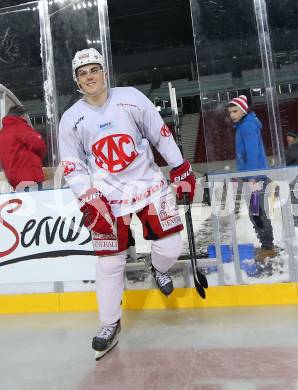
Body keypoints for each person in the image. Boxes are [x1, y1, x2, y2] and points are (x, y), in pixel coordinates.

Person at [58, 48, 196, 360]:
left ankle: (158, 268)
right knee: (109, 264)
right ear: (77, 80)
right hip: (106, 196)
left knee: (171, 246)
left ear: (104, 72)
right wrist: (88, 197)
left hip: (148, 185)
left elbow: (159, 134)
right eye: (83, 73)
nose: (90, 76)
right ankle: (109, 325)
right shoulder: (71, 119)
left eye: (94, 69)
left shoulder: (131, 98)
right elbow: (72, 165)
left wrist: (179, 166)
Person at [227, 95, 277, 263]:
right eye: (230, 112)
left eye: (235, 111)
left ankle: (268, 247)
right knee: (255, 212)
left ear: (243, 110)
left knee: (256, 212)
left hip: (255, 179)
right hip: (251, 177)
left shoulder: (247, 126)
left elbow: (253, 153)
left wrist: (253, 178)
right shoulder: (243, 125)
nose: (232, 115)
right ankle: (267, 244)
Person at [0, 105, 47, 191]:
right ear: (22, 116)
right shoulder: (21, 126)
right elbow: (39, 144)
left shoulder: (2, 132)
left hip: (14, 179)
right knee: (36, 203)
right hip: (29, 177)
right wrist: (39, 158)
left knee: (23, 203)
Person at [285, 130, 298, 226]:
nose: (287, 139)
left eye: (290, 137)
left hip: (294, 176)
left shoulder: (293, 148)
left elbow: (288, 159)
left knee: (294, 198)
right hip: (293, 176)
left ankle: (296, 220)